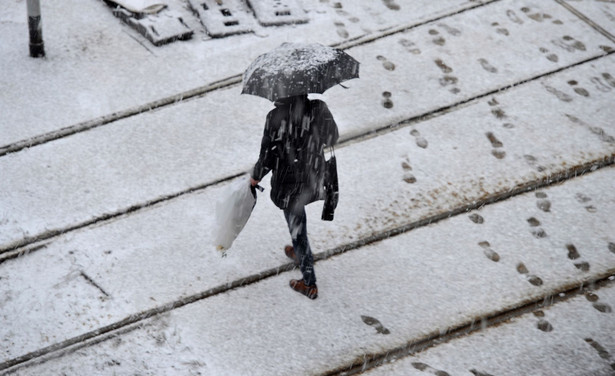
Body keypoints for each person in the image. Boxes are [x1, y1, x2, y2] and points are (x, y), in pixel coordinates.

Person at [250, 94, 339, 300]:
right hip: (313, 178)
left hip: (288, 185)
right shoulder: (318, 108)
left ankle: (309, 283)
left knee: (297, 229)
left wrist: (255, 178)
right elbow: (332, 138)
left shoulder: (275, 117)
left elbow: (267, 157)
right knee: (298, 224)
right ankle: (301, 252)